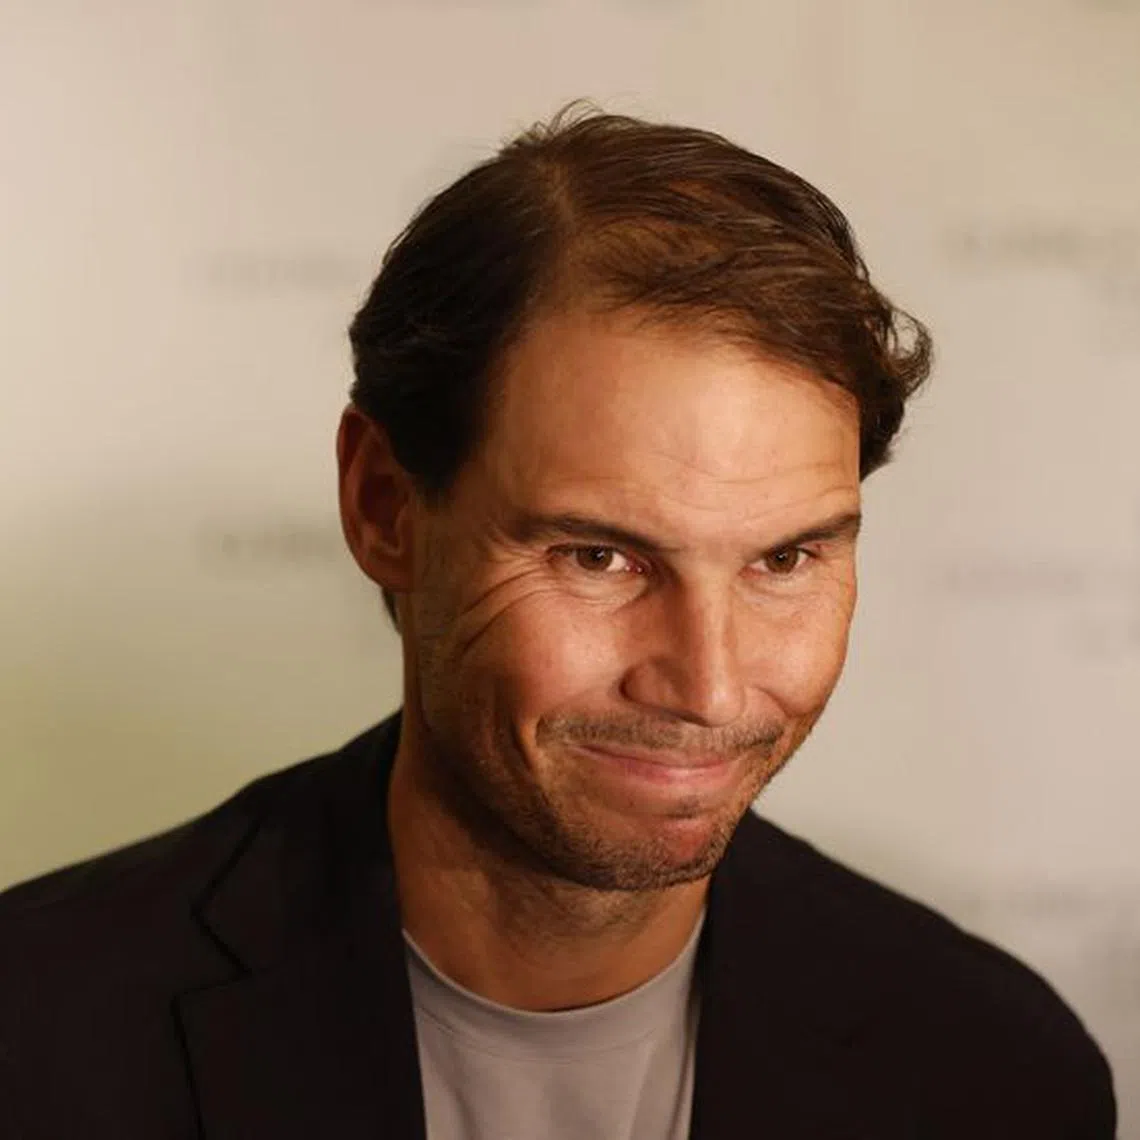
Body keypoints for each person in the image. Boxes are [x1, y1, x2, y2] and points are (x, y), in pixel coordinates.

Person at [0, 104, 1116, 1139]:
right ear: (385, 507)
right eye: (600, 557)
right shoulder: (35, 1038)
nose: (710, 687)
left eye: (784, 559)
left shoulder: (995, 1075)